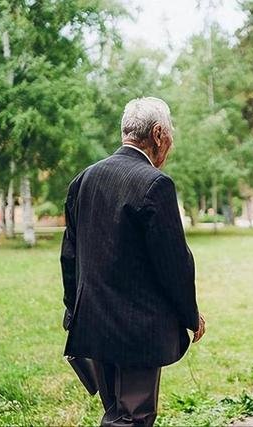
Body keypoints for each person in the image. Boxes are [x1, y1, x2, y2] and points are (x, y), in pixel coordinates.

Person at [60, 97, 206, 426]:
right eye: (169, 135)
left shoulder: (84, 179)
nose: (170, 144)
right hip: (136, 328)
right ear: (157, 135)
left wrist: (74, 312)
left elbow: (69, 255)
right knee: (133, 418)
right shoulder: (155, 184)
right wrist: (190, 315)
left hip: (93, 321)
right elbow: (173, 263)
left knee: (115, 413)